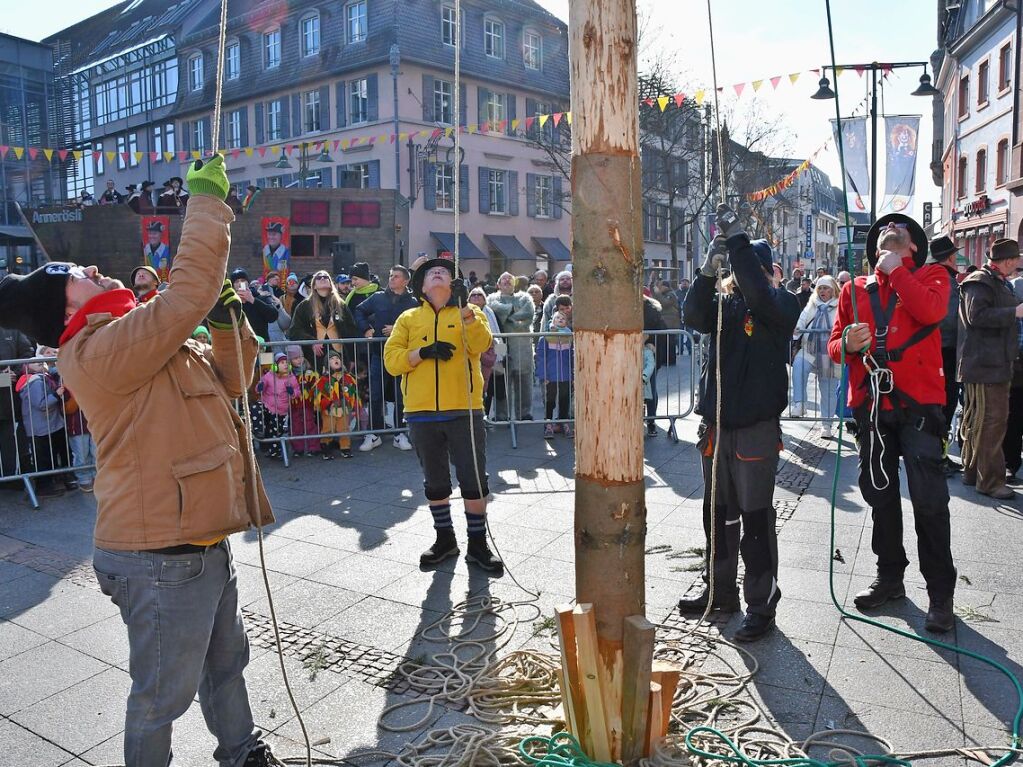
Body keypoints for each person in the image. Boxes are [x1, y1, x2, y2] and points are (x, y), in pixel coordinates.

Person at [0, 156, 285, 767]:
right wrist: (208, 206)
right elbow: (188, 290)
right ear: (64, 311)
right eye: (77, 273)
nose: (93, 267)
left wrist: (229, 320)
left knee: (226, 665)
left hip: (196, 534)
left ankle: (243, 752)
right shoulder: (96, 349)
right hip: (158, 554)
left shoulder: (134, 331)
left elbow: (234, 378)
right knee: (161, 699)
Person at [828, 213, 957, 634]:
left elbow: (931, 310)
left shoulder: (933, 276)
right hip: (872, 406)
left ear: (913, 246)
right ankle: (890, 577)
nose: (891, 228)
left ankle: (940, 594)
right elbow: (834, 344)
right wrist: (846, 342)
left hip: (919, 407)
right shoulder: (853, 289)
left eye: (900, 230)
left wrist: (896, 272)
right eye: (885, 228)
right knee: (879, 495)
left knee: (929, 501)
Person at [680, 204, 800, 642]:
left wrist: (738, 241)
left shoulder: (780, 305)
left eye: (747, 268)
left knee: (755, 520)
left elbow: (759, 292)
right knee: (718, 517)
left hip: (754, 430)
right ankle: (721, 591)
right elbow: (692, 315)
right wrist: (708, 270)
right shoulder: (725, 307)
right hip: (717, 428)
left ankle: (761, 603)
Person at [384, 257, 502, 575]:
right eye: (431, 273)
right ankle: (445, 539)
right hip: (421, 412)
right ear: (422, 286)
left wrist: (465, 310)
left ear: (454, 284)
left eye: (445, 272)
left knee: (474, 480)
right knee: (435, 483)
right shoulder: (408, 318)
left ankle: (478, 544)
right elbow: (392, 361)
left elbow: (482, 344)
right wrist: (421, 353)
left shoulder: (471, 313)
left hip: (464, 409)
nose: (438, 273)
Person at [957, 238, 1023, 500]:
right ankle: (990, 481)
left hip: (992, 363)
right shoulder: (981, 281)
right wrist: (1014, 313)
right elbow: (977, 316)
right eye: (1016, 259)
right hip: (986, 365)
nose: (1018, 264)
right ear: (1007, 261)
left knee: (982, 421)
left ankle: (973, 472)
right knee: (991, 422)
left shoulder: (992, 281)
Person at [354, 265, 418, 452]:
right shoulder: (378, 297)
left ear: (405, 281)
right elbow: (359, 311)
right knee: (376, 393)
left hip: (402, 355)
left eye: (396, 276)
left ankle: (400, 433)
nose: (391, 279)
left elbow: (418, 325)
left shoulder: (413, 302)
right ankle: (374, 433)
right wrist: (366, 328)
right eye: (390, 275)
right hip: (378, 353)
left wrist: (397, 329)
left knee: (400, 395)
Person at [928, 236, 962, 475]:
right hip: (945, 353)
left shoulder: (929, 275)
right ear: (950, 258)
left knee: (937, 407)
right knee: (944, 407)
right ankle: (938, 456)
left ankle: (936, 454)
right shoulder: (945, 280)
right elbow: (948, 323)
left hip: (934, 351)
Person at [791, 275, 841, 438]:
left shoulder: (840, 306)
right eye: (820, 288)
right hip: (810, 349)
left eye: (826, 288)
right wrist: (796, 333)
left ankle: (826, 424)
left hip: (830, 353)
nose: (823, 291)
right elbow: (802, 320)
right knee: (798, 366)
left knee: (828, 389)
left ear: (833, 289)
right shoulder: (812, 305)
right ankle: (800, 403)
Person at [16, 349, 71, 497]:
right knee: (44, 458)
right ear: (27, 367)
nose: (39, 362)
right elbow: (40, 404)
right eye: (34, 361)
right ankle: (44, 487)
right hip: (41, 427)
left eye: (40, 360)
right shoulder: (34, 382)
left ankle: (51, 483)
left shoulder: (43, 377)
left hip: (48, 425)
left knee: (49, 455)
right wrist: (56, 395)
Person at [287, 269, 359, 373]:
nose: (322, 278)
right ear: (314, 286)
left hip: (340, 355)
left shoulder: (341, 305)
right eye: (318, 277)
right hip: (315, 358)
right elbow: (294, 331)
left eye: (326, 277)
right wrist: (311, 341)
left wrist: (352, 358)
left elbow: (352, 331)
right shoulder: (304, 306)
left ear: (330, 284)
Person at [487, 272, 535, 421]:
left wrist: (507, 315)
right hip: (501, 344)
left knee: (524, 380)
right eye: (503, 279)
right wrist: (513, 312)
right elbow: (493, 313)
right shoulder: (491, 299)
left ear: (515, 283)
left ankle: (524, 413)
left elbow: (527, 315)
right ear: (498, 284)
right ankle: (502, 414)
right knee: (502, 379)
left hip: (522, 344)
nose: (507, 280)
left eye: (510, 279)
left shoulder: (525, 298)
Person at [0, 326, 33, 481]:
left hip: (9, 400)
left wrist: (16, 371)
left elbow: (27, 353)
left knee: (9, 439)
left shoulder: (12, 330)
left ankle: (10, 478)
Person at [535, 311, 574, 438]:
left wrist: (573, 375)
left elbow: (573, 356)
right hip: (550, 376)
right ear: (552, 321)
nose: (560, 319)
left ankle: (563, 422)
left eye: (563, 318)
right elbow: (541, 358)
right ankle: (548, 424)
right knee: (550, 400)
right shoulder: (545, 337)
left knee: (564, 399)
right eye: (557, 317)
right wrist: (543, 375)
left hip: (566, 375)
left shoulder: (570, 337)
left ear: (566, 322)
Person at [255, 352, 297, 460]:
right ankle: (258, 430)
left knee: (275, 429)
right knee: (256, 407)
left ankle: (275, 451)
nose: (285, 365)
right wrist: (260, 387)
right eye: (282, 362)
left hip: (280, 409)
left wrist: (292, 392)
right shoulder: (269, 376)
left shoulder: (291, 378)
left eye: (287, 362)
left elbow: (297, 392)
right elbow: (260, 386)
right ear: (275, 365)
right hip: (267, 404)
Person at [286, 344, 321, 457]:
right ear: (290, 360)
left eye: (301, 356)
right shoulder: (288, 374)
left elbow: (316, 383)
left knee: (310, 423)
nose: (299, 360)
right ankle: (298, 448)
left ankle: (314, 447)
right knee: (295, 426)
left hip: (307, 403)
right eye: (295, 358)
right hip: (294, 404)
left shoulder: (309, 371)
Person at [230, 267, 279, 342]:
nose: (240, 283)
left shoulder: (261, 297)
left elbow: (273, 316)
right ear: (233, 286)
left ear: (248, 283)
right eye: (236, 281)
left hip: (261, 345)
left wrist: (252, 300)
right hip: (238, 345)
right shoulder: (230, 302)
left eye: (243, 281)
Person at [657, 279, 682, 366]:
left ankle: (671, 360)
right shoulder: (665, 294)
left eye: (661, 286)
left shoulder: (670, 294)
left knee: (670, 342)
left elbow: (665, 303)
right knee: (665, 342)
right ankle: (665, 359)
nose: (660, 288)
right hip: (666, 322)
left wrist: (658, 294)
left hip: (671, 323)